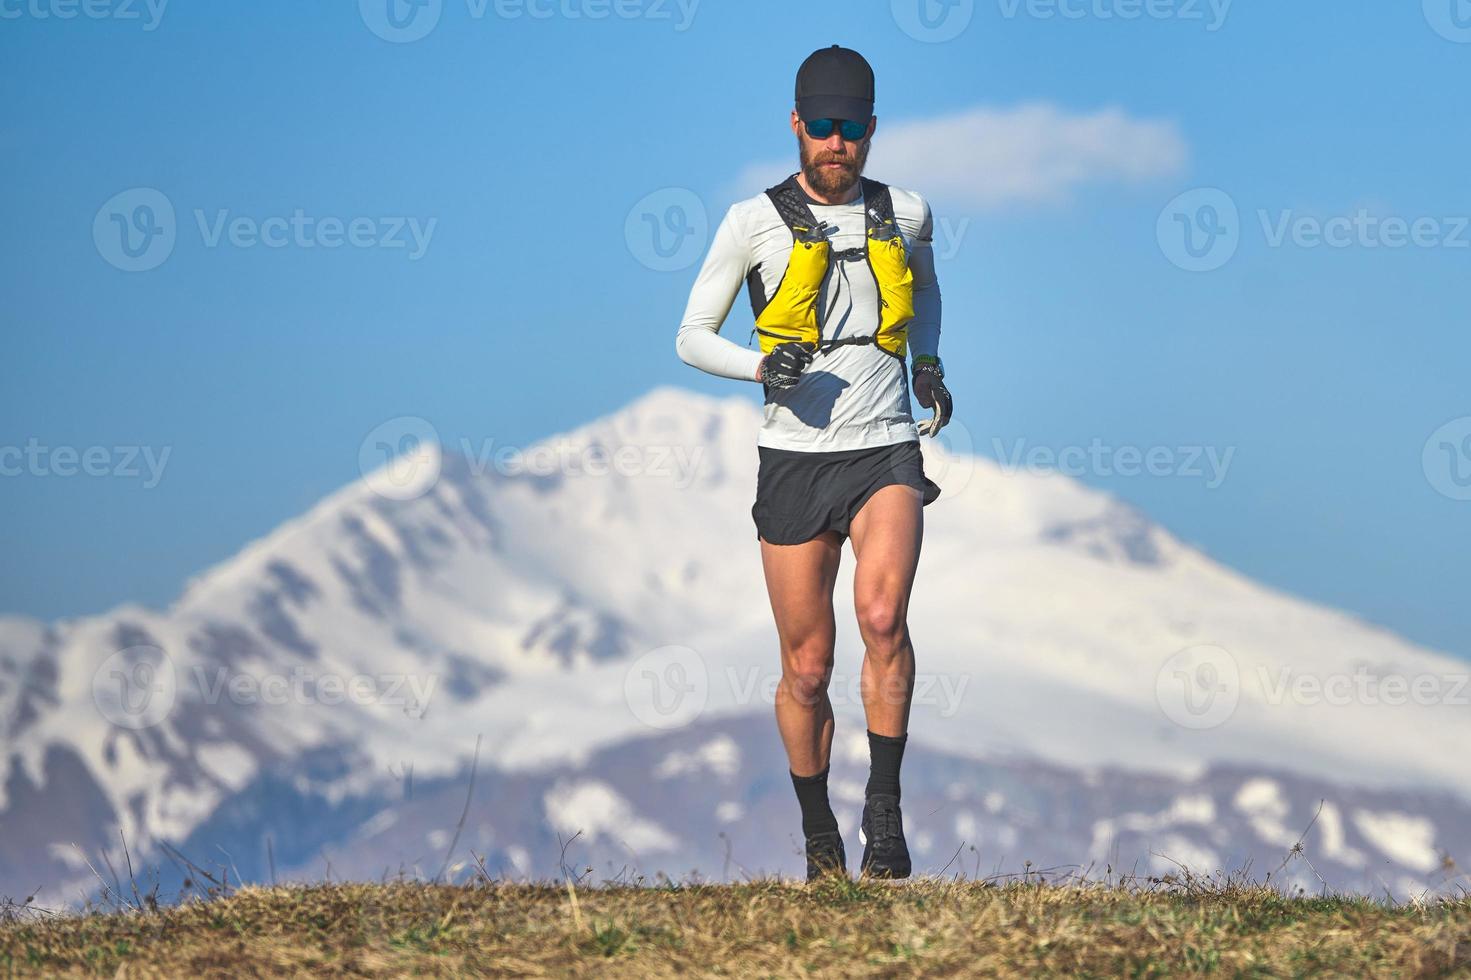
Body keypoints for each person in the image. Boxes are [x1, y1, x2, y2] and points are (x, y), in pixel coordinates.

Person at [675, 45, 952, 881]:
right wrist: (760, 367)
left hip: (884, 445)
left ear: (872, 131)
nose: (837, 144)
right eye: (823, 128)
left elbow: (926, 293)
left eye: (853, 130)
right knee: (805, 665)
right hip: (793, 458)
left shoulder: (906, 211)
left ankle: (885, 814)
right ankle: (818, 834)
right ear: (797, 125)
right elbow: (689, 335)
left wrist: (928, 363)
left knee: (881, 619)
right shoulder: (748, 221)